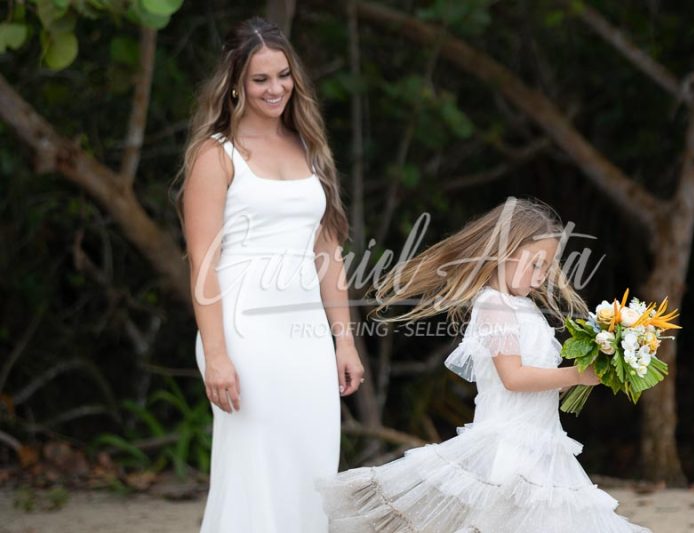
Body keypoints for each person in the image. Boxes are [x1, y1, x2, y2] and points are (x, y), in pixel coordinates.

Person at [315, 197, 651, 532]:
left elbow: (542, 381)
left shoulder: (525, 307)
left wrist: (595, 366)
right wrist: (577, 374)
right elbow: (513, 377)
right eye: (534, 264)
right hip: (507, 447)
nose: (540, 277)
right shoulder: (495, 306)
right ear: (505, 252)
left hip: (543, 444)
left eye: (546, 268)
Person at [172, 16, 364, 532]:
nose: (275, 88)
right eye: (260, 79)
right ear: (236, 83)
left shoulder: (309, 147)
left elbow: (329, 253)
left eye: (283, 75)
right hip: (243, 331)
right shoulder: (216, 155)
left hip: (304, 331)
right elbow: (203, 263)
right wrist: (216, 355)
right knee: (256, 467)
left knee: (313, 460)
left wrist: (344, 341)